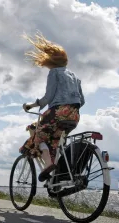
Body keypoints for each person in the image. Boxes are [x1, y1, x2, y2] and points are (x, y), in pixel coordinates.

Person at [19, 32, 85, 182]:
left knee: (39, 134)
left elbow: (47, 98)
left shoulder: (54, 73)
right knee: (55, 141)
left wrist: (31, 105)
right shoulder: (75, 76)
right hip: (74, 115)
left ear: (50, 61)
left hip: (58, 113)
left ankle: (48, 164)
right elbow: (82, 100)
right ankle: (57, 176)